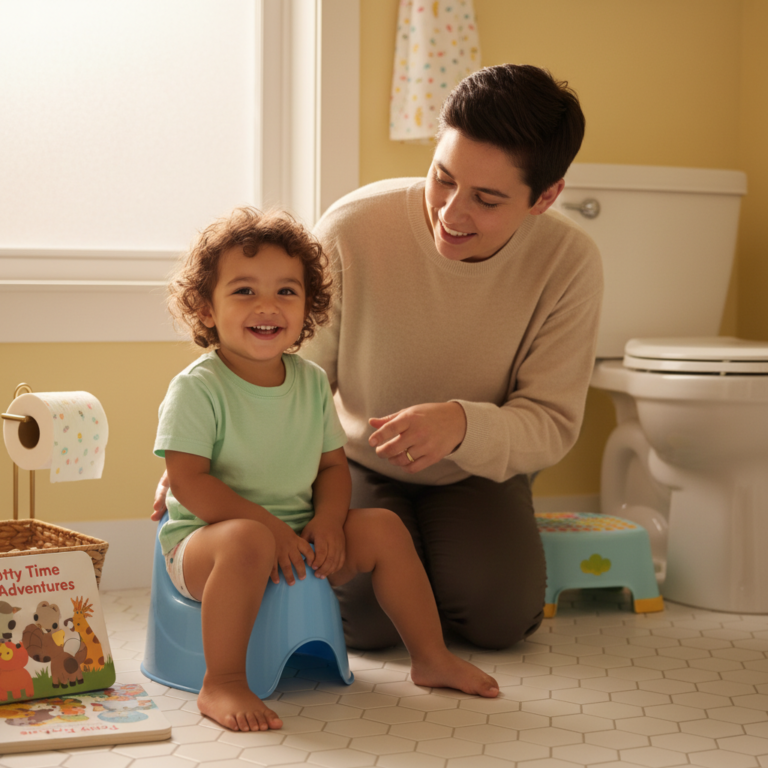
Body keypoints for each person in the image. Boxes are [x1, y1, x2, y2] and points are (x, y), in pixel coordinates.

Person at [153, 207, 499, 733]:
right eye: (244, 291)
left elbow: (333, 468)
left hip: (294, 534)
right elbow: (189, 482)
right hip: (209, 544)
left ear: (309, 307)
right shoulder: (198, 388)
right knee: (247, 539)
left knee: (383, 526)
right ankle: (222, 681)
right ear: (206, 307)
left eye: (286, 292)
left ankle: (430, 657)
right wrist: (269, 530)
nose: (267, 306)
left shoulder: (311, 381)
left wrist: (331, 522)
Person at [297, 63, 603, 650]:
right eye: (443, 178)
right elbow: (293, 377)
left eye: (487, 199)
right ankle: (421, 566)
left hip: (477, 470)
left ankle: (448, 560)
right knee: (364, 623)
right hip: (352, 464)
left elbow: (552, 420)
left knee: (498, 621)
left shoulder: (569, 263)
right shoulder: (353, 228)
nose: (451, 213)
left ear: (546, 196)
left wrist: (462, 425)